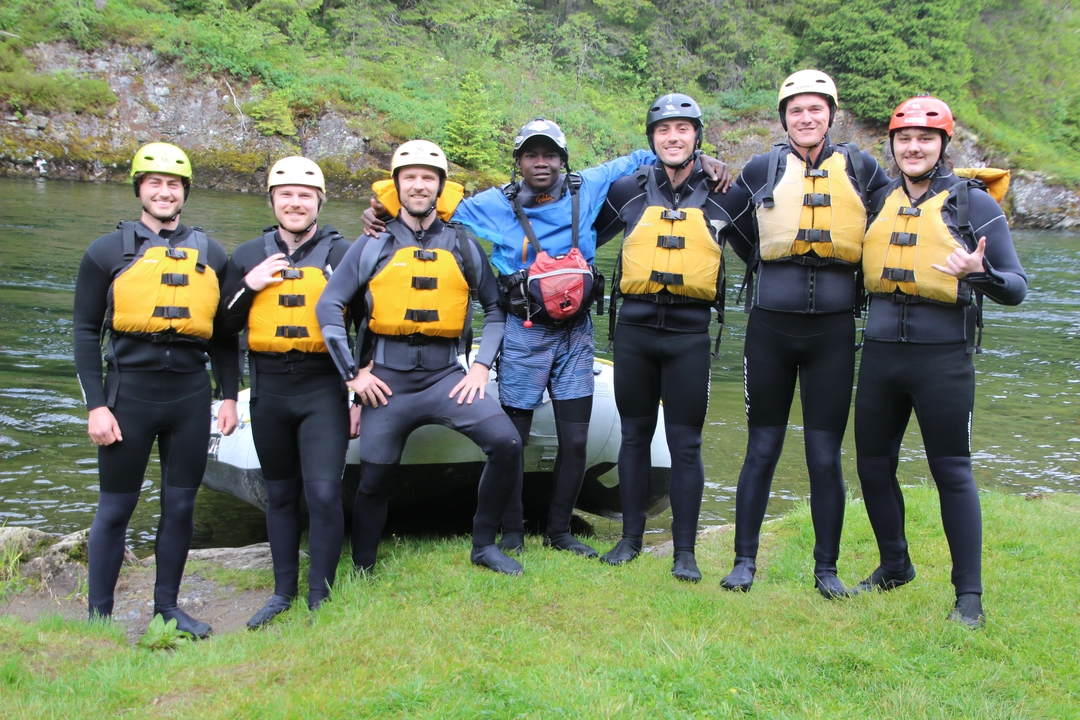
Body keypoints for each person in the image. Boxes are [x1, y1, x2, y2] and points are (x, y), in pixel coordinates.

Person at [363, 120, 731, 558]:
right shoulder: (490, 205)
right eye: (532, 155)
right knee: (512, 440)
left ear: (563, 159)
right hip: (524, 331)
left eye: (550, 154)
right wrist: (379, 210)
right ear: (517, 162)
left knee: (574, 440)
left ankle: (559, 530)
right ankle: (513, 530)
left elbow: (644, 156)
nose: (542, 163)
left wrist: (705, 160)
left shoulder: (588, 185)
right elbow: (424, 204)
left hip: (575, 334)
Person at [853, 96, 1026, 627]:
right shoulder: (881, 197)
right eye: (904, 139)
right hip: (881, 355)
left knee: (952, 472)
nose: (913, 147)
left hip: (943, 359)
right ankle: (894, 564)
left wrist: (979, 275)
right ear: (893, 146)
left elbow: (1016, 288)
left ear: (943, 146)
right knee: (872, 465)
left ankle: (967, 597)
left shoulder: (974, 205)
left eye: (925, 139)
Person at [719, 70, 892, 598]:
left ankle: (826, 570)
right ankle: (743, 562)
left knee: (824, 455)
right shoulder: (761, 167)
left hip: (833, 334)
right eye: (796, 110)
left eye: (816, 109)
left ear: (831, 115)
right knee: (761, 449)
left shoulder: (861, 168)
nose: (806, 118)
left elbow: (897, 215)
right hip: (770, 327)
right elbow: (727, 224)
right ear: (784, 118)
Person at [316, 140, 525, 575]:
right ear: (396, 185)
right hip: (388, 382)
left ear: (440, 187)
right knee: (374, 479)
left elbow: (496, 308)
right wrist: (353, 377)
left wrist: (482, 365)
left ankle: (483, 545)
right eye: (409, 177)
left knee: (506, 444)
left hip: (447, 376)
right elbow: (329, 307)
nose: (418, 185)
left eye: (427, 178)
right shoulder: (373, 242)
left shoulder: (463, 246)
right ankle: (363, 565)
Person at [74, 142, 239, 638]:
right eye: (155, 183)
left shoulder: (211, 253)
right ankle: (98, 620)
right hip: (129, 397)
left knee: (181, 505)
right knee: (116, 508)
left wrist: (229, 394)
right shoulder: (107, 251)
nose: (164, 192)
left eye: (173, 184)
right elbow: (85, 331)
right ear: (139, 189)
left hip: (189, 396)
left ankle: (167, 607)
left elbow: (226, 334)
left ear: (185, 192)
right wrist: (96, 406)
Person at [593, 93, 754, 582]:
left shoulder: (728, 193)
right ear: (652, 140)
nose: (673, 137)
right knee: (634, 435)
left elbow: (759, 256)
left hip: (689, 336)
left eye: (683, 129)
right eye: (663, 130)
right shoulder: (626, 191)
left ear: (697, 136)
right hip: (635, 333)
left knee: (686, 444)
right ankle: (630, 540)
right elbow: (579, 235)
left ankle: (685, 551)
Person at [218, 157, 361, 628]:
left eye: (305, 194)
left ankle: (320, 593)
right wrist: (248, 285)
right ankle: (282, 593)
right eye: (286, 194)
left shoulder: (344, 254)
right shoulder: (245, 256)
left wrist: (356, 392)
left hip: (323, 388)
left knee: (322, 494)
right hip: (269, 389)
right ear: (273, 201)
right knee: (279, 495)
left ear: (320, 200)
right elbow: (221, 328)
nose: (295, 202)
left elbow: (371, 324)